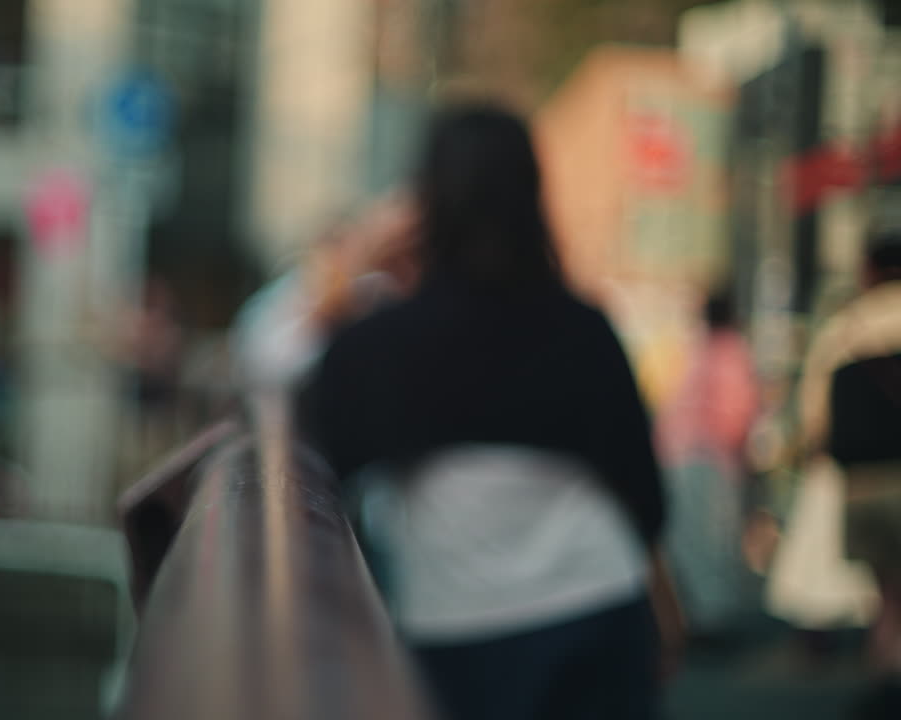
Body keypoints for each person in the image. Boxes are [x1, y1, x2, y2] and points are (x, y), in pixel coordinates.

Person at [301, 104, 668, 720]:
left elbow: (308, 422)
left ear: (426, 204)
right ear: (534, 192)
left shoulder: (379, 346)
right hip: (598, 605)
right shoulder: (585, 331)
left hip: (453, 622)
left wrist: (356, 263)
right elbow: (647, 500)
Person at [798, 228, 901, 716]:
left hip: (863, 483)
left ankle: (888, 680)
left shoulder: (845, 327)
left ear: (869, 269)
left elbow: (814, 414)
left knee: (887, 596)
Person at [232, 195, 418, 393]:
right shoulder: (281, 300)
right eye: (334, 245)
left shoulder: (376, 290)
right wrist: (320, 319)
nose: (340, 258)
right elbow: (263, 366)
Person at [656, 290, 761, 638]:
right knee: (715, 541)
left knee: (688, 541)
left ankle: (691, 614)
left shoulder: (693, 350)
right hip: (712, 458)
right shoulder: (732, 351)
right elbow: (738, 413)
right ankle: (712, 618)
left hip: (676, 455)